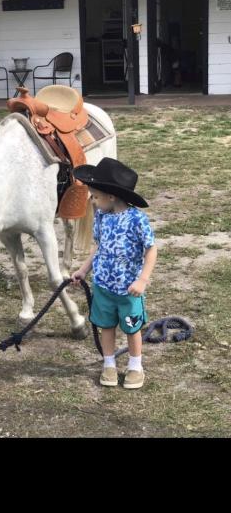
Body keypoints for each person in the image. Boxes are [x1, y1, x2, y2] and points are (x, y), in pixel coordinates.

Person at [71, 158, 157, 389]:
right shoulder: (102, 216)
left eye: (95, 196)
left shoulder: (137, 219)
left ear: (111, 196)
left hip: (129, 290)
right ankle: (109, 363)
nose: (92, 200)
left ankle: (135, 366)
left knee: (132, 327)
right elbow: (98, 247)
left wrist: (142, 280)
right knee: (106, 326)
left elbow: (151, 250)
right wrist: (83, 270)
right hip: (103, 286)